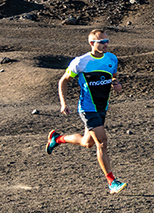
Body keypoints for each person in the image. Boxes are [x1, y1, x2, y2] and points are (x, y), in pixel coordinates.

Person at [45, 28, 127, 194]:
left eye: (107, 41)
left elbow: (113, 76)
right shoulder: (81, 62)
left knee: (87, 143)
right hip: (87, 108)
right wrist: (63, 103)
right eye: (101, 42)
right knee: (102, 142)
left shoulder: (112, 59)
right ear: (92, 43)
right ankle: (112, 182)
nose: (105, 44)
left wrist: (115, 84)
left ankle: (57, 139)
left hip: (103, 107)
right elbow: (63, 80)